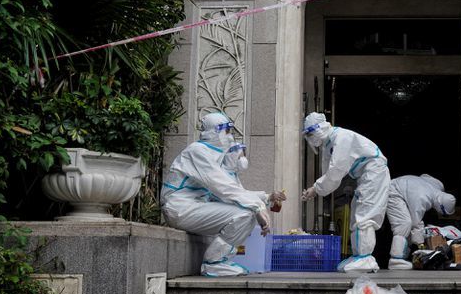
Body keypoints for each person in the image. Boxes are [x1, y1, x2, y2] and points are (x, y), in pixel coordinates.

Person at [161, 111, 285, 277]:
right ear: (214, 131)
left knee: (246, 211)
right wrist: (258, 206)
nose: (230, 137)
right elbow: (222, 186)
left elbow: (229, 191)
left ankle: (220, 261)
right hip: (180, 209)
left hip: (194, 206)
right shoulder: (197, 151)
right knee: (245, 214)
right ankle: (214, 263)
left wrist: (266, 198)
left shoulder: (213, 155)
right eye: (226, 131)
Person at [301, 112, 389, 272]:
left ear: (320, 128)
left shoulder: (341, 138)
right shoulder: (330, 143)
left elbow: (336, 171)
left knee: (364, 216)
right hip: (366, 175)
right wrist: (316, 188)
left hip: (374, 172)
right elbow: (330, 173)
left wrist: (316, 188)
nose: (311, 138)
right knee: (358, 214)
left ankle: (365, 258)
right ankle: (359, 256)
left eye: (311, 133)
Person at [385, 174, 457, 270]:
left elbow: (425, 176)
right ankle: (396, 260)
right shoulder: (424, 198)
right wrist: (420, 243)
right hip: (393, 192)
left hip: (401, 189)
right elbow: (416, 222)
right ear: (441, 206)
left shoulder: (437, 187)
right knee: (404, 224)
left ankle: (403, 256)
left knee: (409, 224)